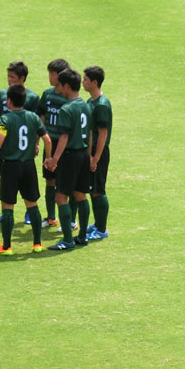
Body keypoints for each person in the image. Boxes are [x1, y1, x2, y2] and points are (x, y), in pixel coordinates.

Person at [0, 84, 52, 255]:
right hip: (29, 166)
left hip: (10, 167)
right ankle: (37, 244)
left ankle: (7, 246)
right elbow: (47, 140)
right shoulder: (33, 117)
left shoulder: (5, 119)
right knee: (32, 204)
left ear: (9, 101)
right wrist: (49, 158)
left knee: (8, 206)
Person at [0, 61, 40, 223]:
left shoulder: (33, 97)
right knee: (6, 179)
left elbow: (37, 123)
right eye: (8, 76)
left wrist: (36, 143)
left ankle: (29, 212)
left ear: (22, 78)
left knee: (26, 180)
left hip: (23, 148)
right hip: (5, 145)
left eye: (12, 77)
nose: (9, 80)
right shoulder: (3, 94)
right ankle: (6, 211)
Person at [47, 68, 92, 251]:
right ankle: (82, 236)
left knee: (60, 196)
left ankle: (67, 240)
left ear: (66, 86)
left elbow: (64, 137)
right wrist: (90, 155)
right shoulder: (86, 105)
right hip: (84, 153)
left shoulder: (66, 109)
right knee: (80, 195)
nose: (58, 89)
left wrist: (54, 159)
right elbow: (89, 133)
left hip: (70, 156)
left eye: (60, 85)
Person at [36, 58, 70, 230]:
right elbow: (41, 119)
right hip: (49, 144)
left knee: (65, 184)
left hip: (64, 146)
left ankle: (70, 221)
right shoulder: (47, 94)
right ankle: (51, 218)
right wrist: (36, 142)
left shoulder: (68, 97)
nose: (50, 77)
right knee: (50, 180)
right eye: (49, 73)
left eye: (53, 74)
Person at [83, 66, 113, 241]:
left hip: (98, 152)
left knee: (98, 190)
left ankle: (102, 230)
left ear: (94, 82)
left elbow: (103, 134)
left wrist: (95, 158)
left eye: (86, 80)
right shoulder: (91, 101)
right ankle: (98, 223)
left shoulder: (101, 105)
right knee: (92, 189)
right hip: (91, 152)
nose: (83, 82)